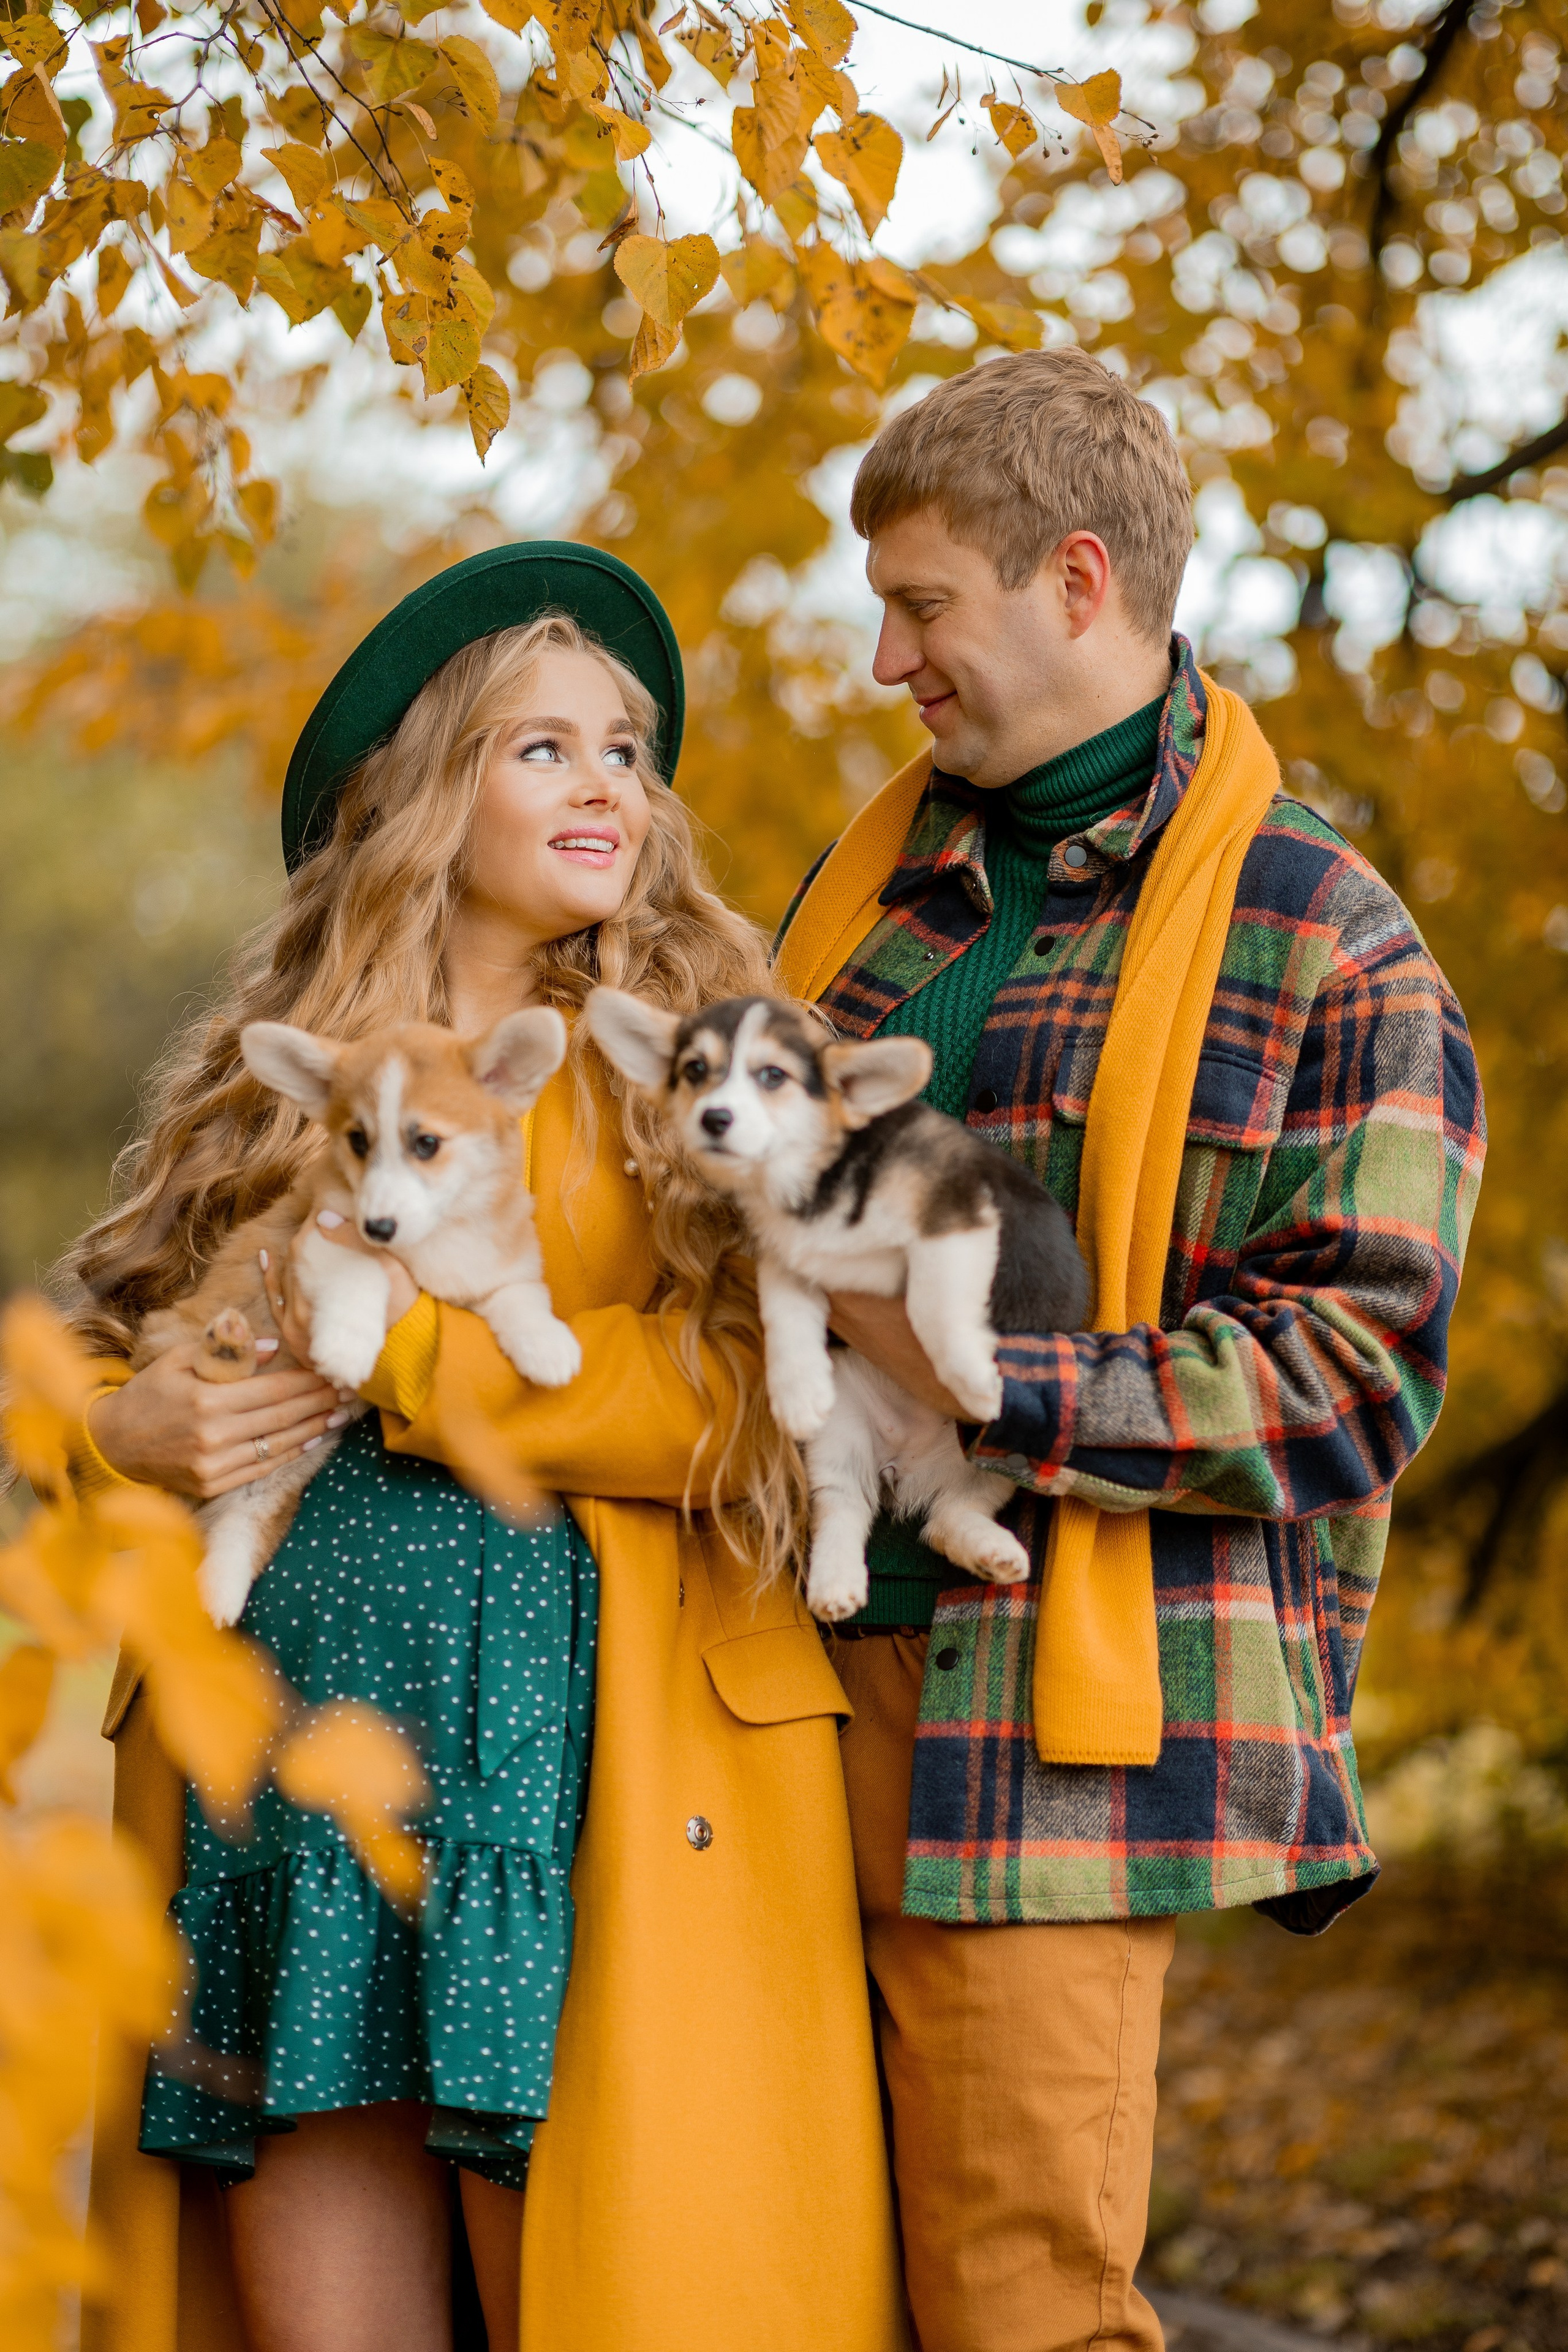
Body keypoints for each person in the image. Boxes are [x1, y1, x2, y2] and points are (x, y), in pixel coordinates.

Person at [72, 545, 902, 2352]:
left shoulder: (699, 1066)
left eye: (624, 749)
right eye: (542, 749)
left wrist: (424, 1357)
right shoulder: (270, 1076)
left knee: (619, 2290)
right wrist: (130, 1425)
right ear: (414, 797)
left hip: (583, 1759)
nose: (609, 780)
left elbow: (762, 1390)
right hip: (294, 1759)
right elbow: (79, 1365)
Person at [775, 350, 1485, 2352]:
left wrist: (990, 1380)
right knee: (759, 2267)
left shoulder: (1324, 936)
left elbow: (1353, 1370)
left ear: (1076, 581)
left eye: (922, 605)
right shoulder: (859, 907)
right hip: (764, 1659)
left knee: (1016, 2301)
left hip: (1038, 1711)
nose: (887, 659)